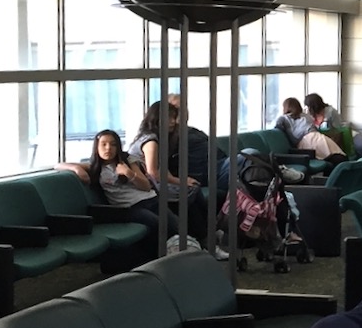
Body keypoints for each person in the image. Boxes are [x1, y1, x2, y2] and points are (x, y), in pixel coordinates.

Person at [57, 129, 162, 249]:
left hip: (150, 199)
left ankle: (178, 252)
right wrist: (77, 169)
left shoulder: (128, 161)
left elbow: (146, 186)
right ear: (96, 147)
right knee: (155, 223)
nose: (108, 148)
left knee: (175, 225)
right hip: (129, 207)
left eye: (113, 144)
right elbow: (59, 165)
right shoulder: (95, 167)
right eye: (104, 144)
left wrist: (128, 173)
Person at [129, 101, 209, 243]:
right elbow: (153, 173)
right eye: (169, 118)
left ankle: (205, 234)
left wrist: (183, 181)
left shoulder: (153, 138)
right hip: (147, 187)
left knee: (192, 189)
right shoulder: (151, 142)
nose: (173, 122)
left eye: (174, 118)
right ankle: (206, 235)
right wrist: (182, 181)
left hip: (152, 184)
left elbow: (162, 170)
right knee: (191, 192)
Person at [165, 92, 231, 192]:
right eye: (177, 109)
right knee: (247, 157)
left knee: (248, 163)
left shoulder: (194, 131)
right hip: (206, 175)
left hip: (221, 167)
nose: (182, 112)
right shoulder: (169, 136)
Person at [273, 95, 347, 161]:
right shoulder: (305, 116)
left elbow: (277, 129)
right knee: (339, 156)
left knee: (334, 157)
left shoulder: (283, 118)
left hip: (306, 142)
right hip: (318, 136)